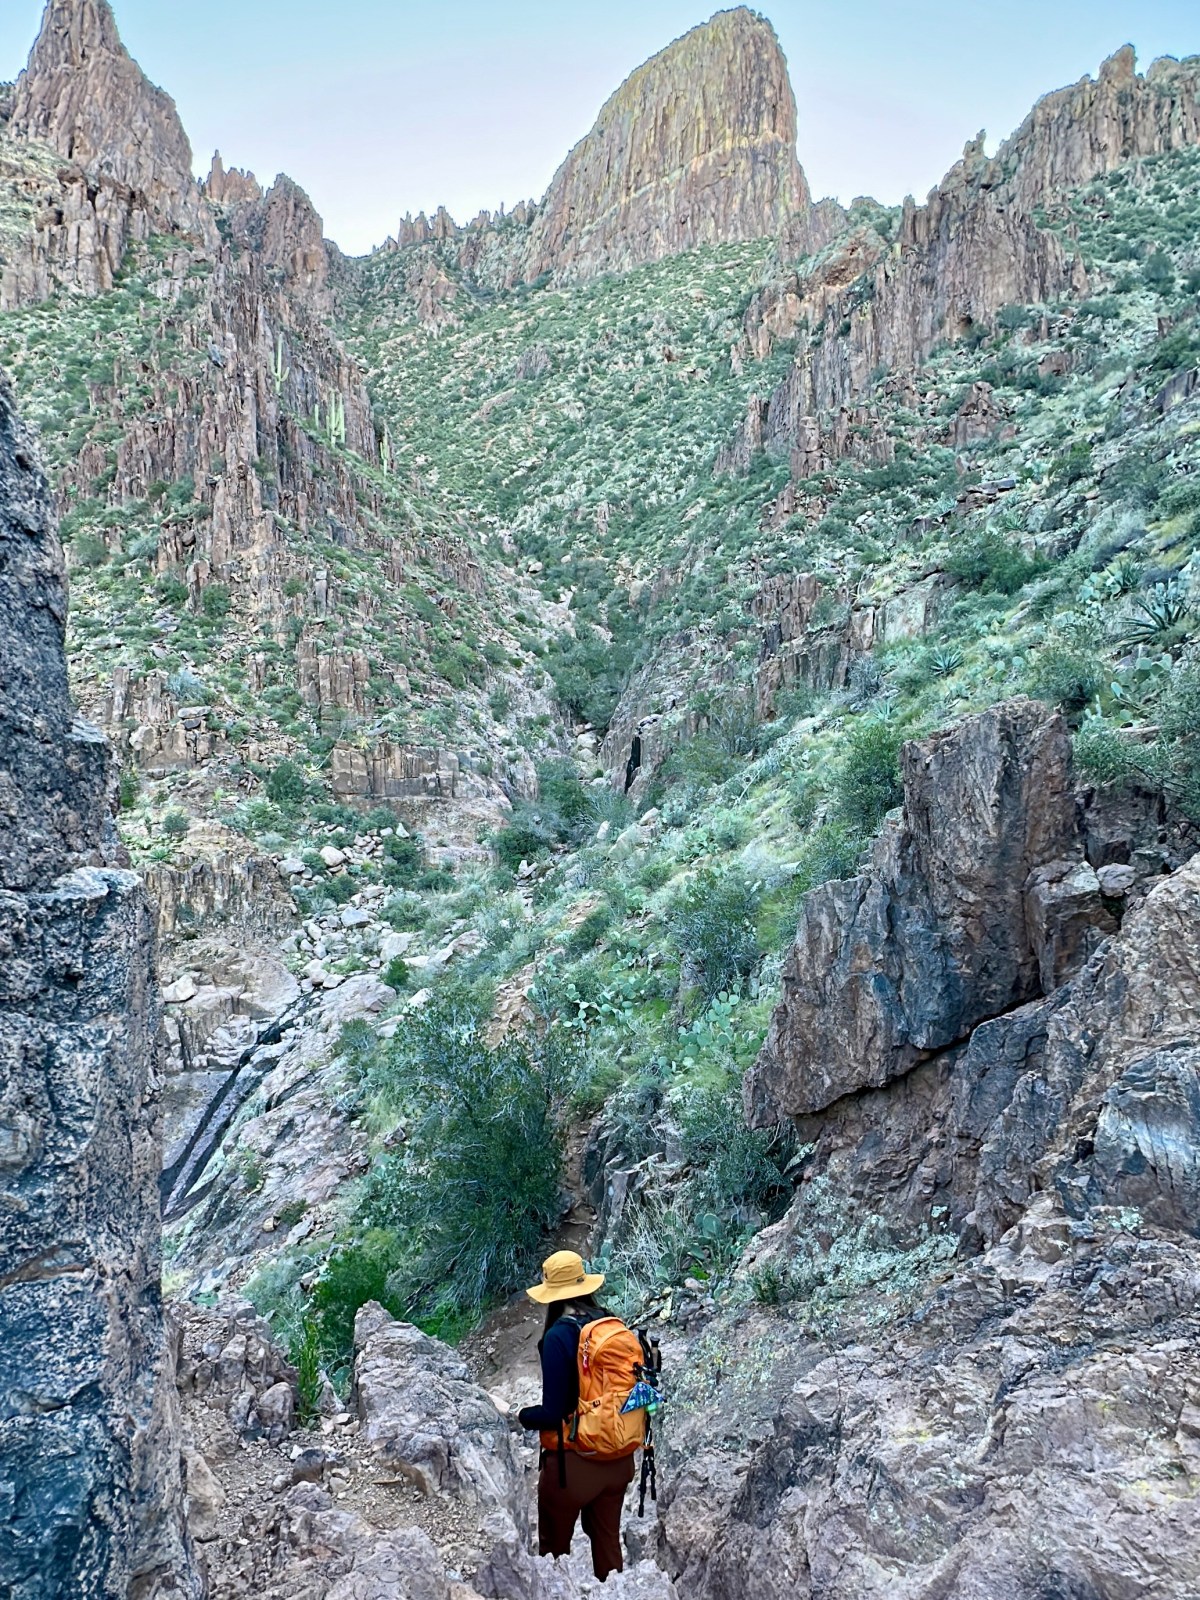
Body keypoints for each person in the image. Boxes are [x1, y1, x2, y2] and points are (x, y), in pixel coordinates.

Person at [517, 1250, 636, 1581]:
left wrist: (521, 1416)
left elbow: (554, 1414)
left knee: (553, 1553)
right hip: (619, 1460)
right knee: (608, 1546)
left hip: (574, 1467)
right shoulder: (609, 1323)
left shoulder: (558, 1336)